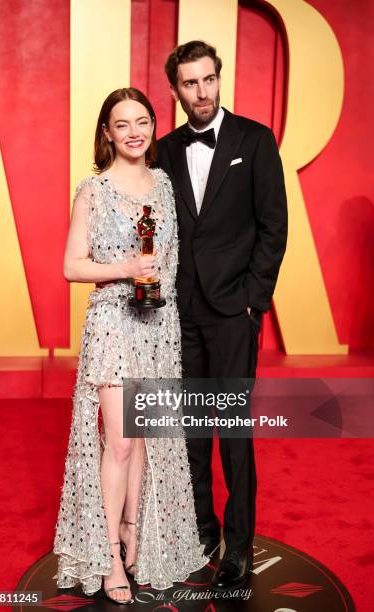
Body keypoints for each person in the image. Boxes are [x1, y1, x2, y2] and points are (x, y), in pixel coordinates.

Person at [53, 87, 208, 604]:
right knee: (119, 441)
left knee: (141, 438)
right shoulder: (93, 190)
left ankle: (133, 528)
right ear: (107, 133)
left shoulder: (162, 184)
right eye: (123, 124)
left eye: (142, 121)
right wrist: (124, 270)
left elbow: (169, 259)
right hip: (114, 324)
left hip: (157, 325)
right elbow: (72, 266)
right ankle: (110, 558)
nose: (135, 132)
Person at [156, 41, 288, 591]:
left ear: (219, 77)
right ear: (175, 90)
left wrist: (254, 299)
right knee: (189, 432)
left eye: (208, 80)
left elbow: (272, 226)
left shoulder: (254, 140)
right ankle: (200, 532)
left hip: (235, 311)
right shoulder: (163, 150)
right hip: (180, 313)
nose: (202, 92)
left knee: (232, 431)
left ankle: (238, 546)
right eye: (190, 83)